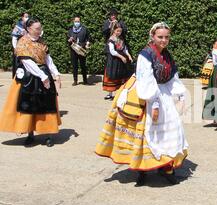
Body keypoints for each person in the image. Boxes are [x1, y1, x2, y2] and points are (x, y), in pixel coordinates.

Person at [95, 22, 188, 186]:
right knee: (145, 132)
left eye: (166, 37)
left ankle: (166, 167)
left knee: (170, 130)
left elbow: (172, 76)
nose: (164, 40)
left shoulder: (167, 54)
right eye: (160, 37)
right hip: (145, 94)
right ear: (152, 36)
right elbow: (146, 80)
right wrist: (155, 104)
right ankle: (142, 170)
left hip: (163, 93)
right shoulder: (145, 55)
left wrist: (179, 94)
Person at [0, 18, 62, 147]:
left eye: (40, 28)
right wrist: (43, 76)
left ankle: (48, 134)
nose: (39, 31)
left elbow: (48, 59)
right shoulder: (22, 43)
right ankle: (30, 133)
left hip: (43, 73)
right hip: (29, 77)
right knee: (28, 104)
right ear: (29, 29)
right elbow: (27, 63)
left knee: (47, 104)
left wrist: (56, 73)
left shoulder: (42, 41)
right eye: (37, 29)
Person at [102, 22, 133, 100]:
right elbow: (112, 51)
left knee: (120, 76)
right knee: (112, 76)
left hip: (121, 61)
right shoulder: (111, 39)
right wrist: (121, 57)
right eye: (117, 31)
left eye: (120, 31)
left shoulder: (121, 39)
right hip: (113, 60)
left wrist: (129, 55)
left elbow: (124, 49)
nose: (119, 33)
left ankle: (118, 93)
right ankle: (110, 94)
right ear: (114, 30)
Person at [67, 15, 91, 86]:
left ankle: (85, 80)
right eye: (75, 21)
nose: (77, 22)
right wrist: (69, 40)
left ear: (80, 22)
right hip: (73, 50)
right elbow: (67, 39)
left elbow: (88, 38)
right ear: (73, 21)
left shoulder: (84, 29)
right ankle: (75, 80)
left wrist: (87, 43)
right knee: (74, 66)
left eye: (78, 21)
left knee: (83, 65)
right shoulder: (70, 30)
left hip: (81, 49)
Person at [11, 12, 29, 78]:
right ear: (22, 17)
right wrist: (15, 48)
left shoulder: (29, 25)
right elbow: (14, 38)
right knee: (18, 63)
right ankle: (17, 78)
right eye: (26, 17)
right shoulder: (18, 26)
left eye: (28, 17)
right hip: (19, 47)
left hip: (28, 47)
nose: (27, 18)